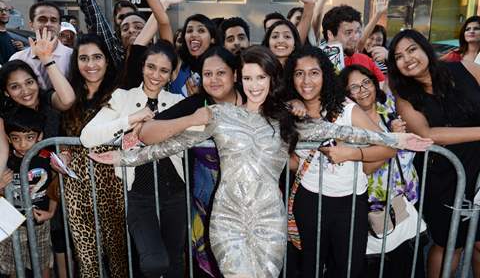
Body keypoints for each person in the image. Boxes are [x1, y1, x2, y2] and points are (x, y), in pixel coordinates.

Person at [89, 45, 432, 277]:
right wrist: (126, 157)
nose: (254, 86)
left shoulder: (286, 120)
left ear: (272, 79)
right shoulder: (218, 114)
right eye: (248, 78)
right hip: (228, 219)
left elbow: (345, 131)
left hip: (269, 220)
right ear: (239, 78)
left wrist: (394, 138)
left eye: (261, 78)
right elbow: (171, 144)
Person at [285, 46, 396, 277]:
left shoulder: (347, 110)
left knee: (349, 270)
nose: (307, 80)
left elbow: (388, 147)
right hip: (309, 200)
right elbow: (295, 161)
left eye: (314, 72)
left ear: (325, 75)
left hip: (350, 203)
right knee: (310, 268)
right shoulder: (290, 113)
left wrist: (350, 154)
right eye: (299, 73)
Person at [80, 39, 185, 277]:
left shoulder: (178, 103)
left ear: (171, 75)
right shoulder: (122, 98)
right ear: (142, 67)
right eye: (151, 67)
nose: (155, 75)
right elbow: (87, 136)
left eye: (164, 70)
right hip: (139, 194)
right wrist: (130, 120)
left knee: (174, 262)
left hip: (176, 193)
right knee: (153, 262)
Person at [139, 46, 243, 277]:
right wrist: (191, 120)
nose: (214, 80)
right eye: (207, 74)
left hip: (246, 207)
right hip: (205, 206)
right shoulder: (197, 104)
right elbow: (146, 133)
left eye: (221, 73)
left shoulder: (253, 100)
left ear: (235, 75)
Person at [387, 29, 480, 277]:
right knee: (450, 243)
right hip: (444, 176)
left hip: (478, 168)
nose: (407, 59)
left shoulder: (466, 68)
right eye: (398, 56)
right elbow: (427, 133)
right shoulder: (404, 96)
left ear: (425, 48)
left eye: (412, 49)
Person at [339, 64, 427, 277]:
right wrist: (393, 141)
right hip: (371, 210)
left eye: (366, 82)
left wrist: (399, 136)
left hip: (404, 202)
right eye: (355, 87)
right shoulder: (347, 125)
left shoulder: (390, 109)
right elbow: (365, 168)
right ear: (346, 94)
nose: (363, 90)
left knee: (410, 267)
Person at [56, 34, 126, 278]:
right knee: (87, 260)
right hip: (77, 187)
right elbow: (62, 135)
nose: (91, 64)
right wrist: (63, 154)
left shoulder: (120, 93)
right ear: (76, 63)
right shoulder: (70, 95)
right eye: (83, 58)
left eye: (97, 57)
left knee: (119, 258)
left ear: (107, 60)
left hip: (114, 185)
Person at [0, 28, 76, 182]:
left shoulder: (48, 99)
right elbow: (2, 151)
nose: (25, 91)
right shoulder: (5, 114)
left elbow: (67, 100)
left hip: (54, 185)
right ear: (6, 92)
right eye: (15, 86)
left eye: (29, 82)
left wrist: (46, 58)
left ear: (37, 81)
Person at [0, 106, 57, 278]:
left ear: (40, 137)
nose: (23, 144)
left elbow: (57, 184)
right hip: (11, 225)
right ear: (8, 139)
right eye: (16, 138)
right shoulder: (5, 159)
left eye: (29, 137)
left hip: (39, 223)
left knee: (43, 266)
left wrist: (51, 212)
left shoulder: (47, 156)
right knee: (13, 270)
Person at [9, 2, 72, 90]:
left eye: (53, 20)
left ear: (59, 26)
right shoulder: (18, 58)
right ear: (31, 25)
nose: (48, 24)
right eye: (42, 19)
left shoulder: (72, 56)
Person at [322, 4, 385, 82]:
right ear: (330, 34)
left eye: (357, 31)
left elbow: (385, 88)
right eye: (348, 32)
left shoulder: (365, 60)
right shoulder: (317, 64)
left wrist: (389, 58)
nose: (355, 38)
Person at [171, 14, 218, 96]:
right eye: (189, 31)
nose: (194, 35)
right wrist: (165, 3)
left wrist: (197, 98)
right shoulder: (178, 63)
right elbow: (163, 23)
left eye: (201, 30)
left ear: (212, 39)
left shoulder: (221, 67)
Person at [0, 0, 23, 65]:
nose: (4, 13)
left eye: (6, 10)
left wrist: (20, 50)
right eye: (0, 10)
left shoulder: (9, 37)